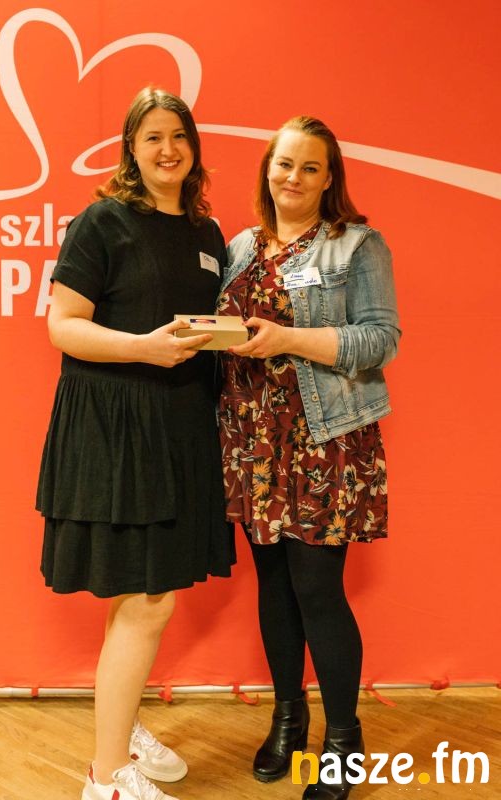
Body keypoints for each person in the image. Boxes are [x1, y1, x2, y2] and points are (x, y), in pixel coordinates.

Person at [36, 87, 235, 800]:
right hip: (116, 426)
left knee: (145, 595)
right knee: (147, 599)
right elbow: (63, 325)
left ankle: (118, 732)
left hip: (181, 426)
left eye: (178, 135)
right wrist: (142, 349)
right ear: (131, 149)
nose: (167, 149)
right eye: (152, 137)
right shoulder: (103, 222)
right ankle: (106, 776)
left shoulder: (209, 234)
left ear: (193, 147)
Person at [217, 116, 400, 800]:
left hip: (326, 440)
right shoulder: (240, 247)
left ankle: (344, 744)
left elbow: (380, 340)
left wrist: (289, 339)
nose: (292, 177)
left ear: (329, 179)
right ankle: (288, 718)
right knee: (274, 585)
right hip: (252, 441)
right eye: (283, 163)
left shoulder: (357, 245)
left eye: (309, 167)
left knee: (318, 589)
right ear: (267, 169)